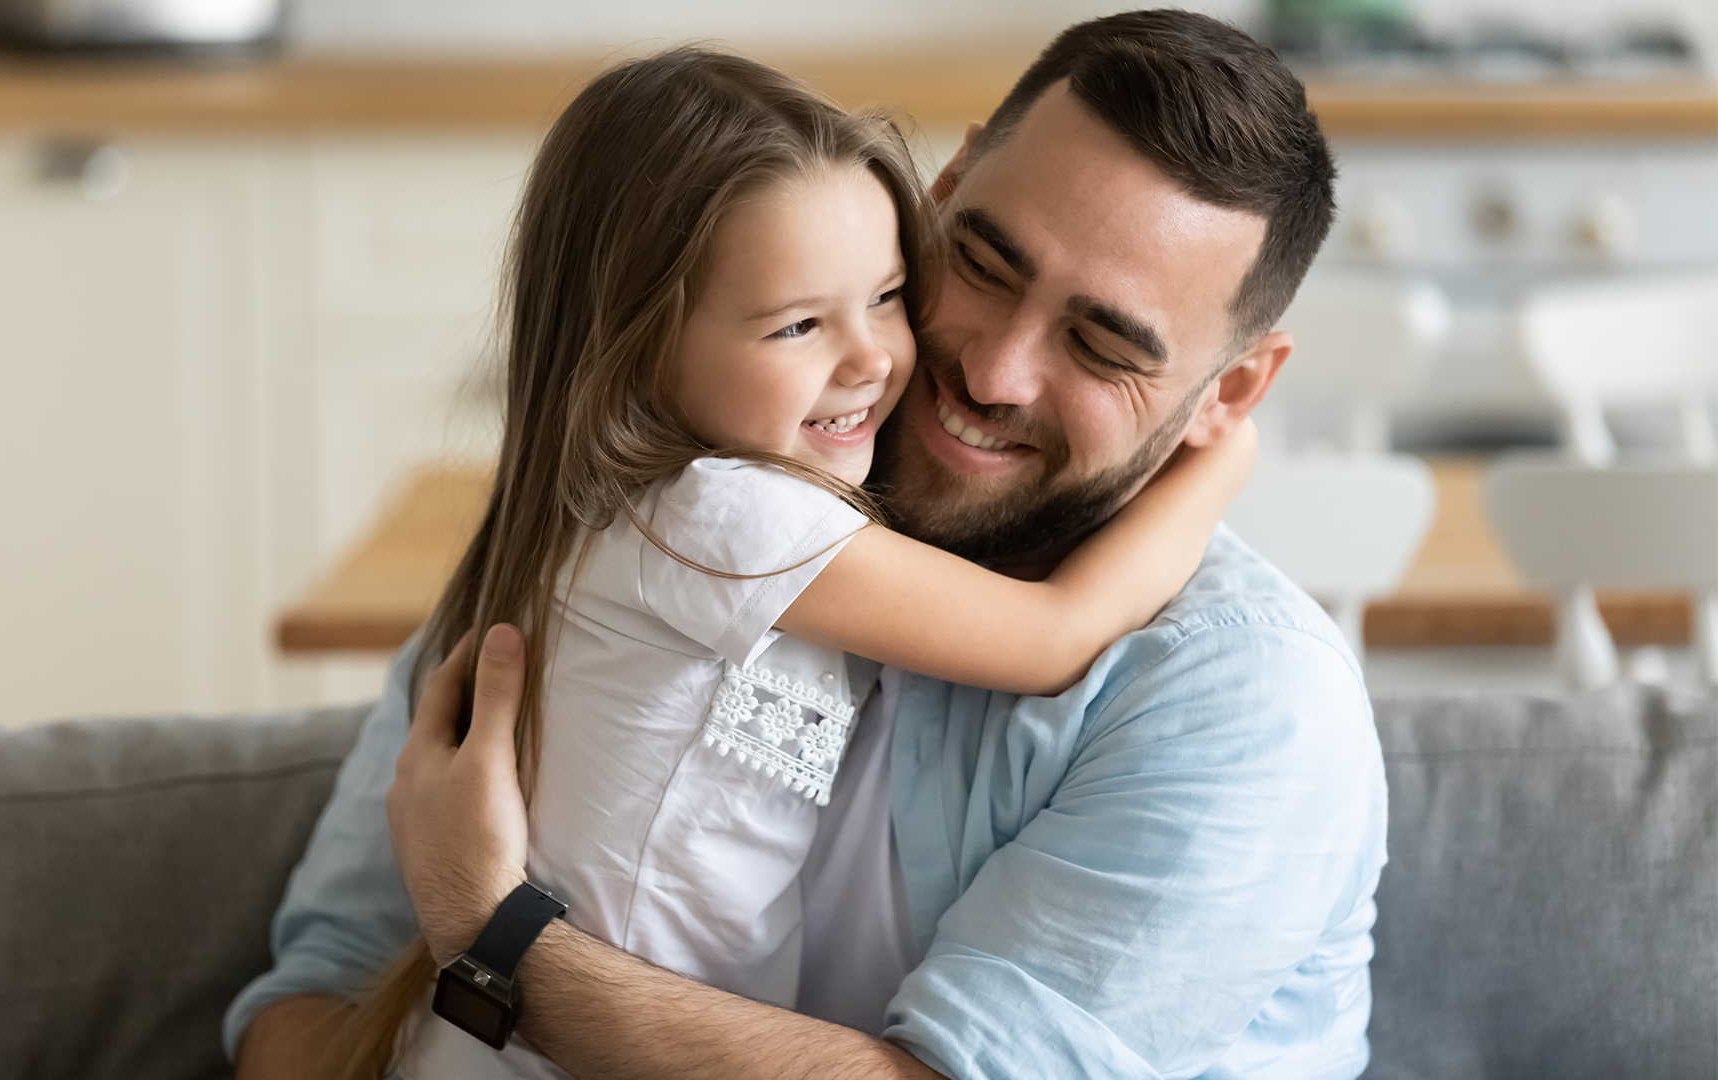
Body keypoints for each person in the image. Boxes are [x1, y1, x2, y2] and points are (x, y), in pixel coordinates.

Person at [230, 11, 1388, 1080]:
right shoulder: (632, 517)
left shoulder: (1243, 697)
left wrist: (489, 932)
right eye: (983, 264)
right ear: (939, 192)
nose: (993, 373)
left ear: (1233, 391)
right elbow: (318, 1000)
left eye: (1102, 347)